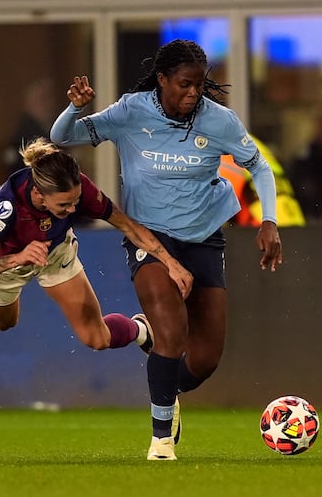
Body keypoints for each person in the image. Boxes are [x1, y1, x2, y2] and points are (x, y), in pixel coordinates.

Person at [50, 39, 283, 460]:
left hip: (205, 237)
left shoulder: (219, 121)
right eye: (184, 84)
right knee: (172, 336)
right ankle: (161, 440)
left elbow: (258, 166)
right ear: (162, 80)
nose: (193, 94)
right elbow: (62, 137)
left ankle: (145, 338)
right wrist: (76, 107)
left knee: (204, 360)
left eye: (199, 85)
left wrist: (269, 220)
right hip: (150, 238)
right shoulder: (130, 111)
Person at [0, 138, 193, 367]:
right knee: (3, 322)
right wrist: (19, 257)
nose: (73, 210)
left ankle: (140, 330)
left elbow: (128, 226)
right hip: (8, 260)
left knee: (97, 338)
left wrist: (171, 263)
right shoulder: (6, 207)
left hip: (56, 251)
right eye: (64, 206)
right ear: (38, 194)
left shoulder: (80, 189)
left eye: (75, 202)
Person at [2, 78, 56, 177]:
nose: (49, 105)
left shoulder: (53, 130)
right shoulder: (25, 136)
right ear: (28, 103)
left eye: (50, 99)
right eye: (42, 100)